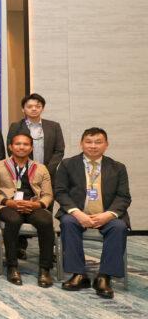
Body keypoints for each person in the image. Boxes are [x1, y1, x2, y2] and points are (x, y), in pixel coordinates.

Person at [55, 128, 130, 299]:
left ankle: (104, 277)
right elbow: (60, 192)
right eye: (88, 142)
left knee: (119, 227)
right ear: (81, 144)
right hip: (77, 213)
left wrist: (108, 215)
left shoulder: (118, 167)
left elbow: (123, 197)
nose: (93, 146)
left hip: (106, 215)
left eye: (98, 142)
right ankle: (78, 274)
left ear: (106, 145)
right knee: (68, 222)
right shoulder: (67, 164)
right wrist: (77, 213)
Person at [0, 133, 54, 287]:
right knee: (13, 220)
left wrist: (38, 205)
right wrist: (7, 202)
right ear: (10, 147)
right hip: (8, 205)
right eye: (18, 144)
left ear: (31, 148)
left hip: (33, 205)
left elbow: (48, 195)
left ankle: (45, 269)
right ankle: (12, 267)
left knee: (45, 221)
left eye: (26, 144)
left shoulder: (40, 168)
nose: (21, 147)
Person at [7, 93, 65, 179]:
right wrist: (23, 168)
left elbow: (59, 150)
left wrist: (47, 170)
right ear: (23, 109)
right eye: (29, 107)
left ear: (42, 108)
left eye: (38, 106)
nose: (34, 109)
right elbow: (11, 149)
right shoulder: (16, 126)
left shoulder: (54, 126)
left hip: (49, 174)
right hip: (23, 174)